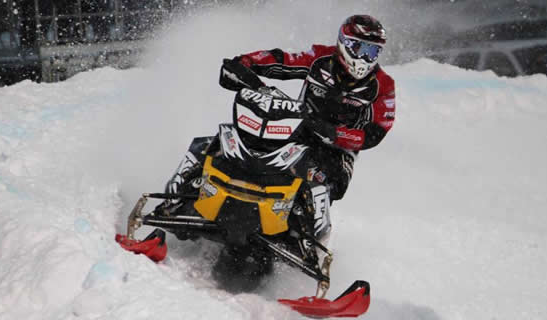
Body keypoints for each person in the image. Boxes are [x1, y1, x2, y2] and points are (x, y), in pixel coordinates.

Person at [164, 15, 396, 209]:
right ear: (344, 43)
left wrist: (335, 134)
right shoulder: (320, 58)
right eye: (360, 48)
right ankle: (179, 193)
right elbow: (282, 60)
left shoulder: (383, 85)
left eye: (373, 52)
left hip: (338, 148)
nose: (366, 58)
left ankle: (306, 234)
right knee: (238, 141)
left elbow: (376, 132)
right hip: (299, 127)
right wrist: (245, 63)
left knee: (329, 185)